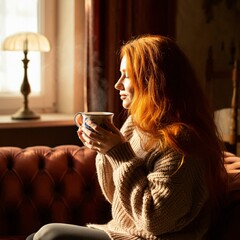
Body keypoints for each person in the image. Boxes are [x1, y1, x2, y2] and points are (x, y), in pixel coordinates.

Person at [26, 34, 228, 240]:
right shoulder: (135, 125)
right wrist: (105, 151)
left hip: (154, 238)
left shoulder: (182, 140)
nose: (117, 85)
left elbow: (154, 220)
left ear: (152, 80)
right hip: (123, 231)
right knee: (35, 236)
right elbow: (116, 198)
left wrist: (119, 153)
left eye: (126, 75)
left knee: (51, 235)